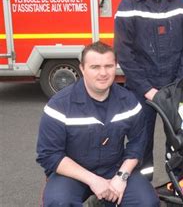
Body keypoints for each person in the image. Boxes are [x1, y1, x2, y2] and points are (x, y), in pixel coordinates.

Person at [36, 41, 159, 207]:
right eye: (95, 67)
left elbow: (137, 144)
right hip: (72, 173)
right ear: (82, 68)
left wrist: (121, 177)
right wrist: (94, 181)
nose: (103, 73)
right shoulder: (59, 105)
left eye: (108, 66)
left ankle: (102, 201)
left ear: (115, 66)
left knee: (147, 203)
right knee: (58, 202)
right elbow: (49, 154)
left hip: (114, 168)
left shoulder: (129, 101)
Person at [114, 0, 183, 179]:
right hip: (142, 91)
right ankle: (142, 187)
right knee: (140, 142)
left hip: (175, 89)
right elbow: (124, 53)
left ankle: (179, 185)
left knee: (181, 139)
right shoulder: (128, 5)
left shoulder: (179, 3)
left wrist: (178, 84)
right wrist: (146, 89)